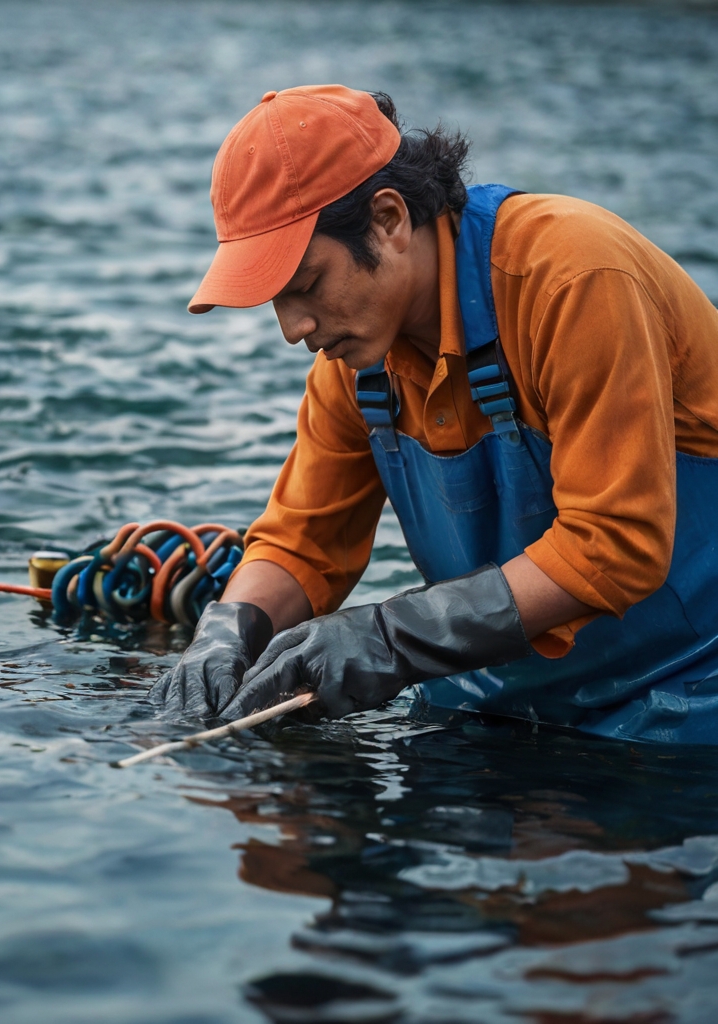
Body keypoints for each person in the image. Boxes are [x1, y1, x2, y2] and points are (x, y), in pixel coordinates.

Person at [150, 85, 718, 744]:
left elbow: (615, 545)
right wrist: (224, 635)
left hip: (688, 700)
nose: (293, 328)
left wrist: (384, 638)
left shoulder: (574, 279)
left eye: (304, 286)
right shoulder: (352, 360)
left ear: (389, 219)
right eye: (274, 302)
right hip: (495, 702)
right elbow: (302, 543)